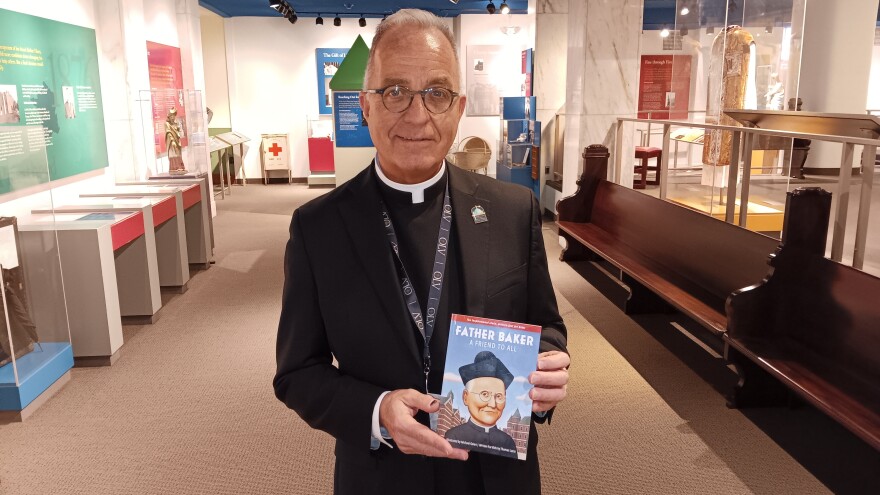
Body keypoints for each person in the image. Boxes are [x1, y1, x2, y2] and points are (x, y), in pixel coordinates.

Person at [274, 9, 569, 495]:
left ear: (458, 107)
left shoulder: (513, 209)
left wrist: (548, 371)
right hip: (382, 476)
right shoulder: (318, 227)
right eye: (394, 91)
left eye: (436, 93)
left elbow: (546, 325)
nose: (416, 115)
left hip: (496, 477)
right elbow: (296, 373)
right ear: (365, 106)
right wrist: (376, 411)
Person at [444, 352, 519, 459]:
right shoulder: (453, 436)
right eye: (484, 394)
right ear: (466, 397)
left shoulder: (507, 442)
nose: (493, 404)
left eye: (498, 396)